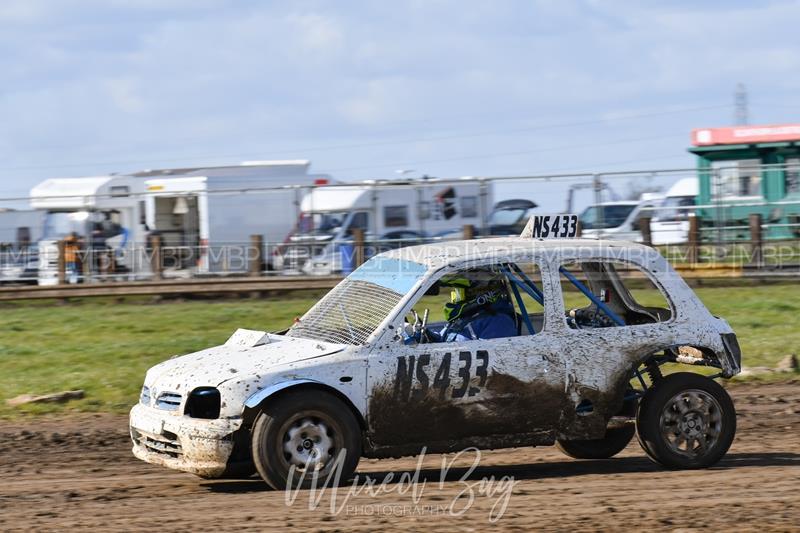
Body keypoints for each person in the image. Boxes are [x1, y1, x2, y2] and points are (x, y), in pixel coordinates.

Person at [434, 270, 518, 342]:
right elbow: (443, 339)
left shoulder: (499, 323)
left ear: (479, 294)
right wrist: (429, 336)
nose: (456, 297)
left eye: (459, 293)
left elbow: (490, 357)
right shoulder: (465, 318)